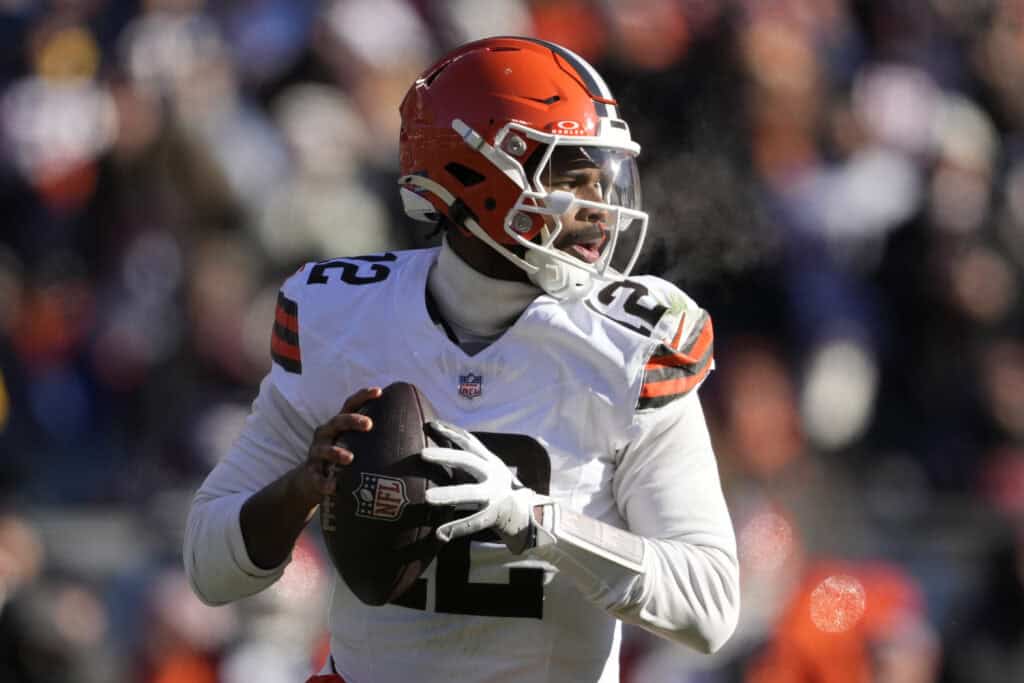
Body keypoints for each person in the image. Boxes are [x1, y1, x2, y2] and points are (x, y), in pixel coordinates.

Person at [184, 36, 739, 683]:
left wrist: (535, 521)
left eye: (604, 176)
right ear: (470, 173)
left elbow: (709, 602)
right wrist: (300, 489)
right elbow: (208, 563)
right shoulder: (341, 317)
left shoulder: (630, 341)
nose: (599, 206)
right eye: (568, 175)